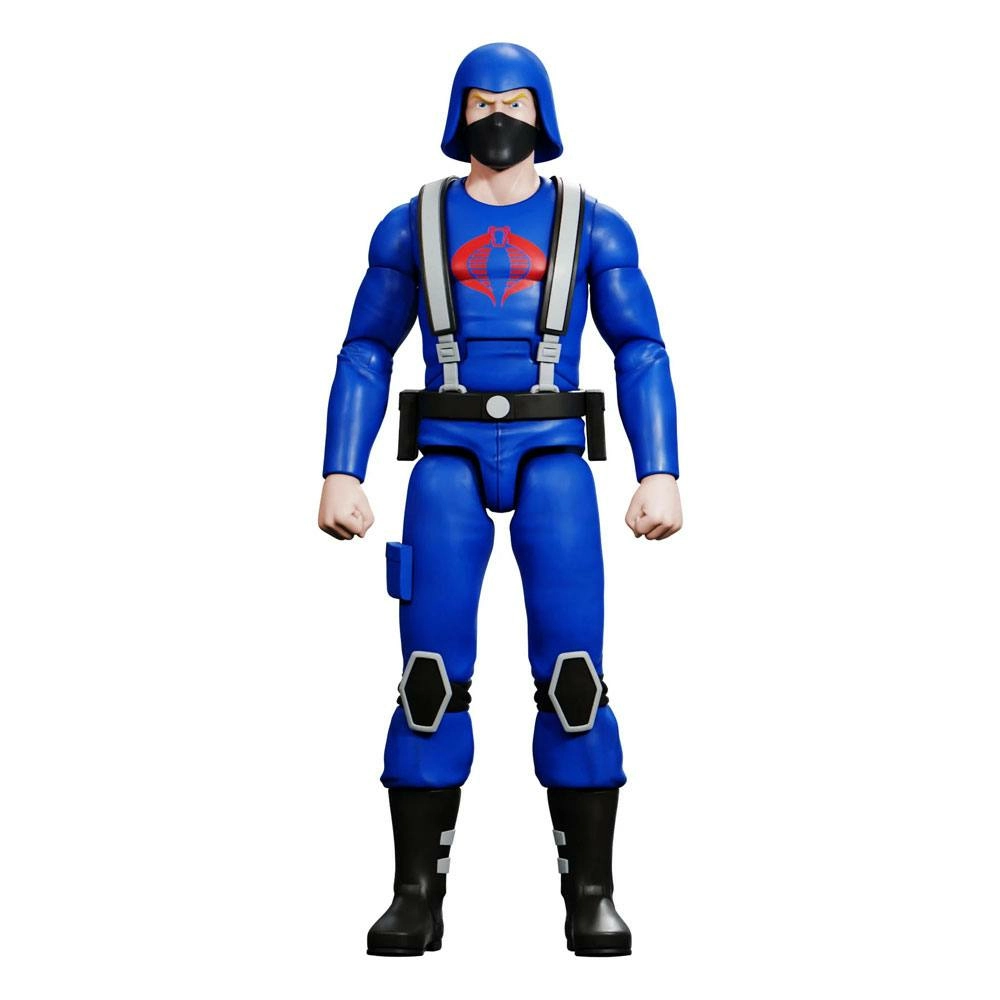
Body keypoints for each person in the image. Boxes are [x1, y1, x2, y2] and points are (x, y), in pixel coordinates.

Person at [318, 42, 682, 957]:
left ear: (543, 114)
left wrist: (660, 470)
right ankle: (415, 894)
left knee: (575, 680)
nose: (498, 117)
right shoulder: (412, 225)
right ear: (457, 114)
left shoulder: (593, 225)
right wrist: (341, 469)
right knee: (428, 681)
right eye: (481, 102)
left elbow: (640, 348)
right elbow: (366, 348)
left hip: (554, 458)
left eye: (514, 102)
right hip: (444, 459)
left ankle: (591, 893)